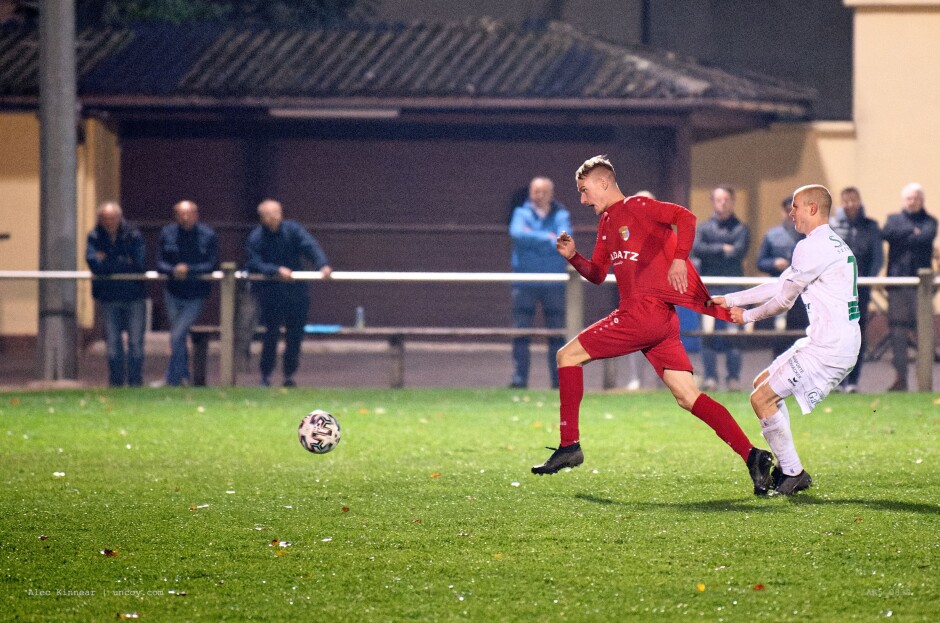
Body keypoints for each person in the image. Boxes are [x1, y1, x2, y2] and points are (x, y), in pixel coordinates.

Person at [531, 156, 775, 498]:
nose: (583, 200)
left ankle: (570, 444)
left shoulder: (638, 206)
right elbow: (599, 275)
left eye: (585, 191)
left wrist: (678, 260)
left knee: (566, 356)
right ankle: (754, 456)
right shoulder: (606, 224)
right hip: (660, 322)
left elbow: (686, 218)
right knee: (689, 397)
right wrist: (573, 256)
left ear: (603, 183)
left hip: (641, 314)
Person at [712, 184, 860, 495]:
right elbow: (781, 284)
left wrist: (747, 317)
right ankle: (791, 470)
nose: (790, 212)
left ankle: (792, 473)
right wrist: (731, 299)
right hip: (830, 341)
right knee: (762, 386)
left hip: (828, 348)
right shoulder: (830, 244)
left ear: (812, 208)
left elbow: (783, 301)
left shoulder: (811, 246)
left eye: (795, 206)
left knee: (761, 399)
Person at [245, 199, 332, 387]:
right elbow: (253, 263)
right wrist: (276, 270)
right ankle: (266, 375)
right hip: (271, 293)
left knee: (295, 335)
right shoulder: (256, 237)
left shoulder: (293, 229)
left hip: (296, 291)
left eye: (277, 212)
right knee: (271, 334)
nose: (275, 217)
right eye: (269, 214)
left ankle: (289, 376)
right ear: (262, 218)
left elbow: (310, 246)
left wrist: (322, 264)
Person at [508, 176, 571, 389]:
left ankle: (558, 380)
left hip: (554, 282)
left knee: (557, 334)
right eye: (536, 191)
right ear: (530, 193)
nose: (540, 195)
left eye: (544, 191)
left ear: (551, 194)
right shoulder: (520, 213)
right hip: (524, 282)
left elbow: (564, 240)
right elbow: (517, 234)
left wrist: (532, 238)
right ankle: (519, 379)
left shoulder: (562, 214)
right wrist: (548, 238)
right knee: (521, 331)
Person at [692, 185, 750, 391]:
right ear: (713, 202)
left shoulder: (741, 229)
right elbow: (697, 249)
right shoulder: (704, 228)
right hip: (708, 288)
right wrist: (721, 248)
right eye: (718, 199)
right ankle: (710, 378)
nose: (722, 203)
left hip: (734, 288)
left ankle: (733, 378)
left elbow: (738, 253)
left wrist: (712, 251)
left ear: (732, 201)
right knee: (707, 334)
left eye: (726, 199)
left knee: (733, 334)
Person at [155, 200, 219, 386]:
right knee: (179, 336)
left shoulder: (208, 235)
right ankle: (181, 377)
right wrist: (174, 269)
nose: (185, 217)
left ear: (195, 214)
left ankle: (174, 377)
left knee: (176, 334)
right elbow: (160, 263)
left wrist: (188, 269)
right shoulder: (167, 234)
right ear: (176, 216)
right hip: (173, 292)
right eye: (181, 214)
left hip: (196, 293)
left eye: (188, 213)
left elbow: (211, 264)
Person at [881, 183, 937, 391]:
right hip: (897, 283)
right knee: (897, 331)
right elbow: (886, 234)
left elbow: (925, 237)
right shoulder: (893, 220)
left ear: (922, 200)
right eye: (909, 198)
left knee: (924, 332)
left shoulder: (930, 221)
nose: (912, 202)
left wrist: (904, 235)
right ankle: (900, 379)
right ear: (904, 200)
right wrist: (910, 231)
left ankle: (924, 379)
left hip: (920, 287)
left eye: (915, 198)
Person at [85, 201, 148, 387]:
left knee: (136, 344)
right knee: (113, 345)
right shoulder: (94, 236)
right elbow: (94, 264)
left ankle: (136, 383)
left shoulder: (133, 235)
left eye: (112, 218)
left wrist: (107, 261)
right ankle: (116, 383)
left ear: (119, 218)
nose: (109, 222)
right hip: (109, 296)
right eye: (105, 218)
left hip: (134, 296)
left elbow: (138, 264)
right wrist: (121, 261)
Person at [830, 187, 883, 392]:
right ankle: (836, 380)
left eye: (854, 200)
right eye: (847, 201)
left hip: (860, 288)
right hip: (837, 289)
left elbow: (877, 258)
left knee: (856, 334)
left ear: (859, 201)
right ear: (842, 203)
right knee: (837, 334)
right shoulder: (833, 226)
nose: (850, 204)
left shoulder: (871, 227)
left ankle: (852, 381)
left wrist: (866, 280)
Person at [755, 196, 809, 356]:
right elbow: (760, 262)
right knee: (778, 337)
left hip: (801, 295)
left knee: (799, 334)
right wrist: (773, 263)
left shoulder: (809, 236)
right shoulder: (772, 235)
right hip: (778, 293)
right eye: (788, 210)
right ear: (782, 212)